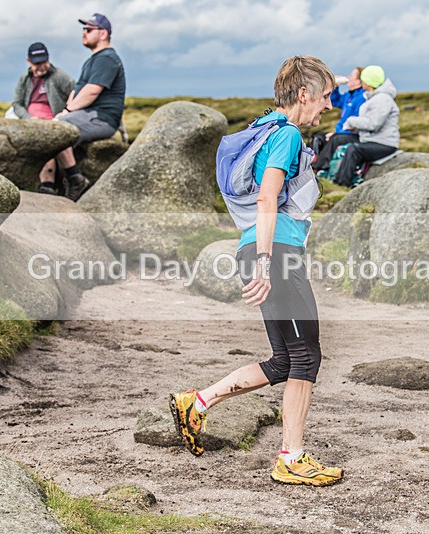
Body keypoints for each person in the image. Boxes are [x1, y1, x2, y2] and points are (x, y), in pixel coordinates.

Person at [169, 56, 344, 487]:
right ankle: (291, 458)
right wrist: (266, 262)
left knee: (285, 360)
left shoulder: (264, 128)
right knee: (306, 356)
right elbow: (267, 197)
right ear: (303, 94)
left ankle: (197, 402)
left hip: (259, 248)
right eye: (325, 97)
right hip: (274, 253)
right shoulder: (285, 134)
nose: (328, 106)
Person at [50, 13, 127, 201]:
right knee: (53, 128)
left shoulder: (107, 58)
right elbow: (77, 91)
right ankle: (51, 184)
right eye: (84, 29)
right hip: (88, 115)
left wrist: (67, 113)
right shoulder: (92, 60)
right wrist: (65, 111)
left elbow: (92, 91)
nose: (84, 33)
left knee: (58, 131)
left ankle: (75, 179)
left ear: (103, 33)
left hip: (101, 118)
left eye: (89, 29)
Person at [9, 42, 75, 194]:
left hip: (53, 120)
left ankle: (50, 184)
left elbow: (75, 92)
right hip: (31, 121)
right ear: (29, 61)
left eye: (44, 62)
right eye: (37, 63)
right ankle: (46, 184)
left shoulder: (59, 76)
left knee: (48, 141)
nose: (41, 67)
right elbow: (17, 104)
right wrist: (28, 117)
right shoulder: (24, 79)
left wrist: (65, 112)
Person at [334, 65, 400, 188]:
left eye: (363, 80)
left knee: (354, 150)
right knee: (350, 146)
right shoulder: (375, 97)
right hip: (374, 141)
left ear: (368, 82)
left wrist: (351, 121)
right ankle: (340, 181)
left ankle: (342, 184)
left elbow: (373, 124)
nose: (362, 82)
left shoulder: (382, 99)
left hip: (384, 144)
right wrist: (355, 128)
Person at [311, 66, 365, 175]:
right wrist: (335, 86)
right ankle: (310, 163)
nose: (348, 77)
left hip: (353, 134)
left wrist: (337, 133)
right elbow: (335, 100)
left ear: (359, 81)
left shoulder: (362, 98)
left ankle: (318, 169)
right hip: (341, 133)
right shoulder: (349, 96)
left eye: (351, 76)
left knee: (335, 139)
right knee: (318, 137)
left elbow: (356, 124)